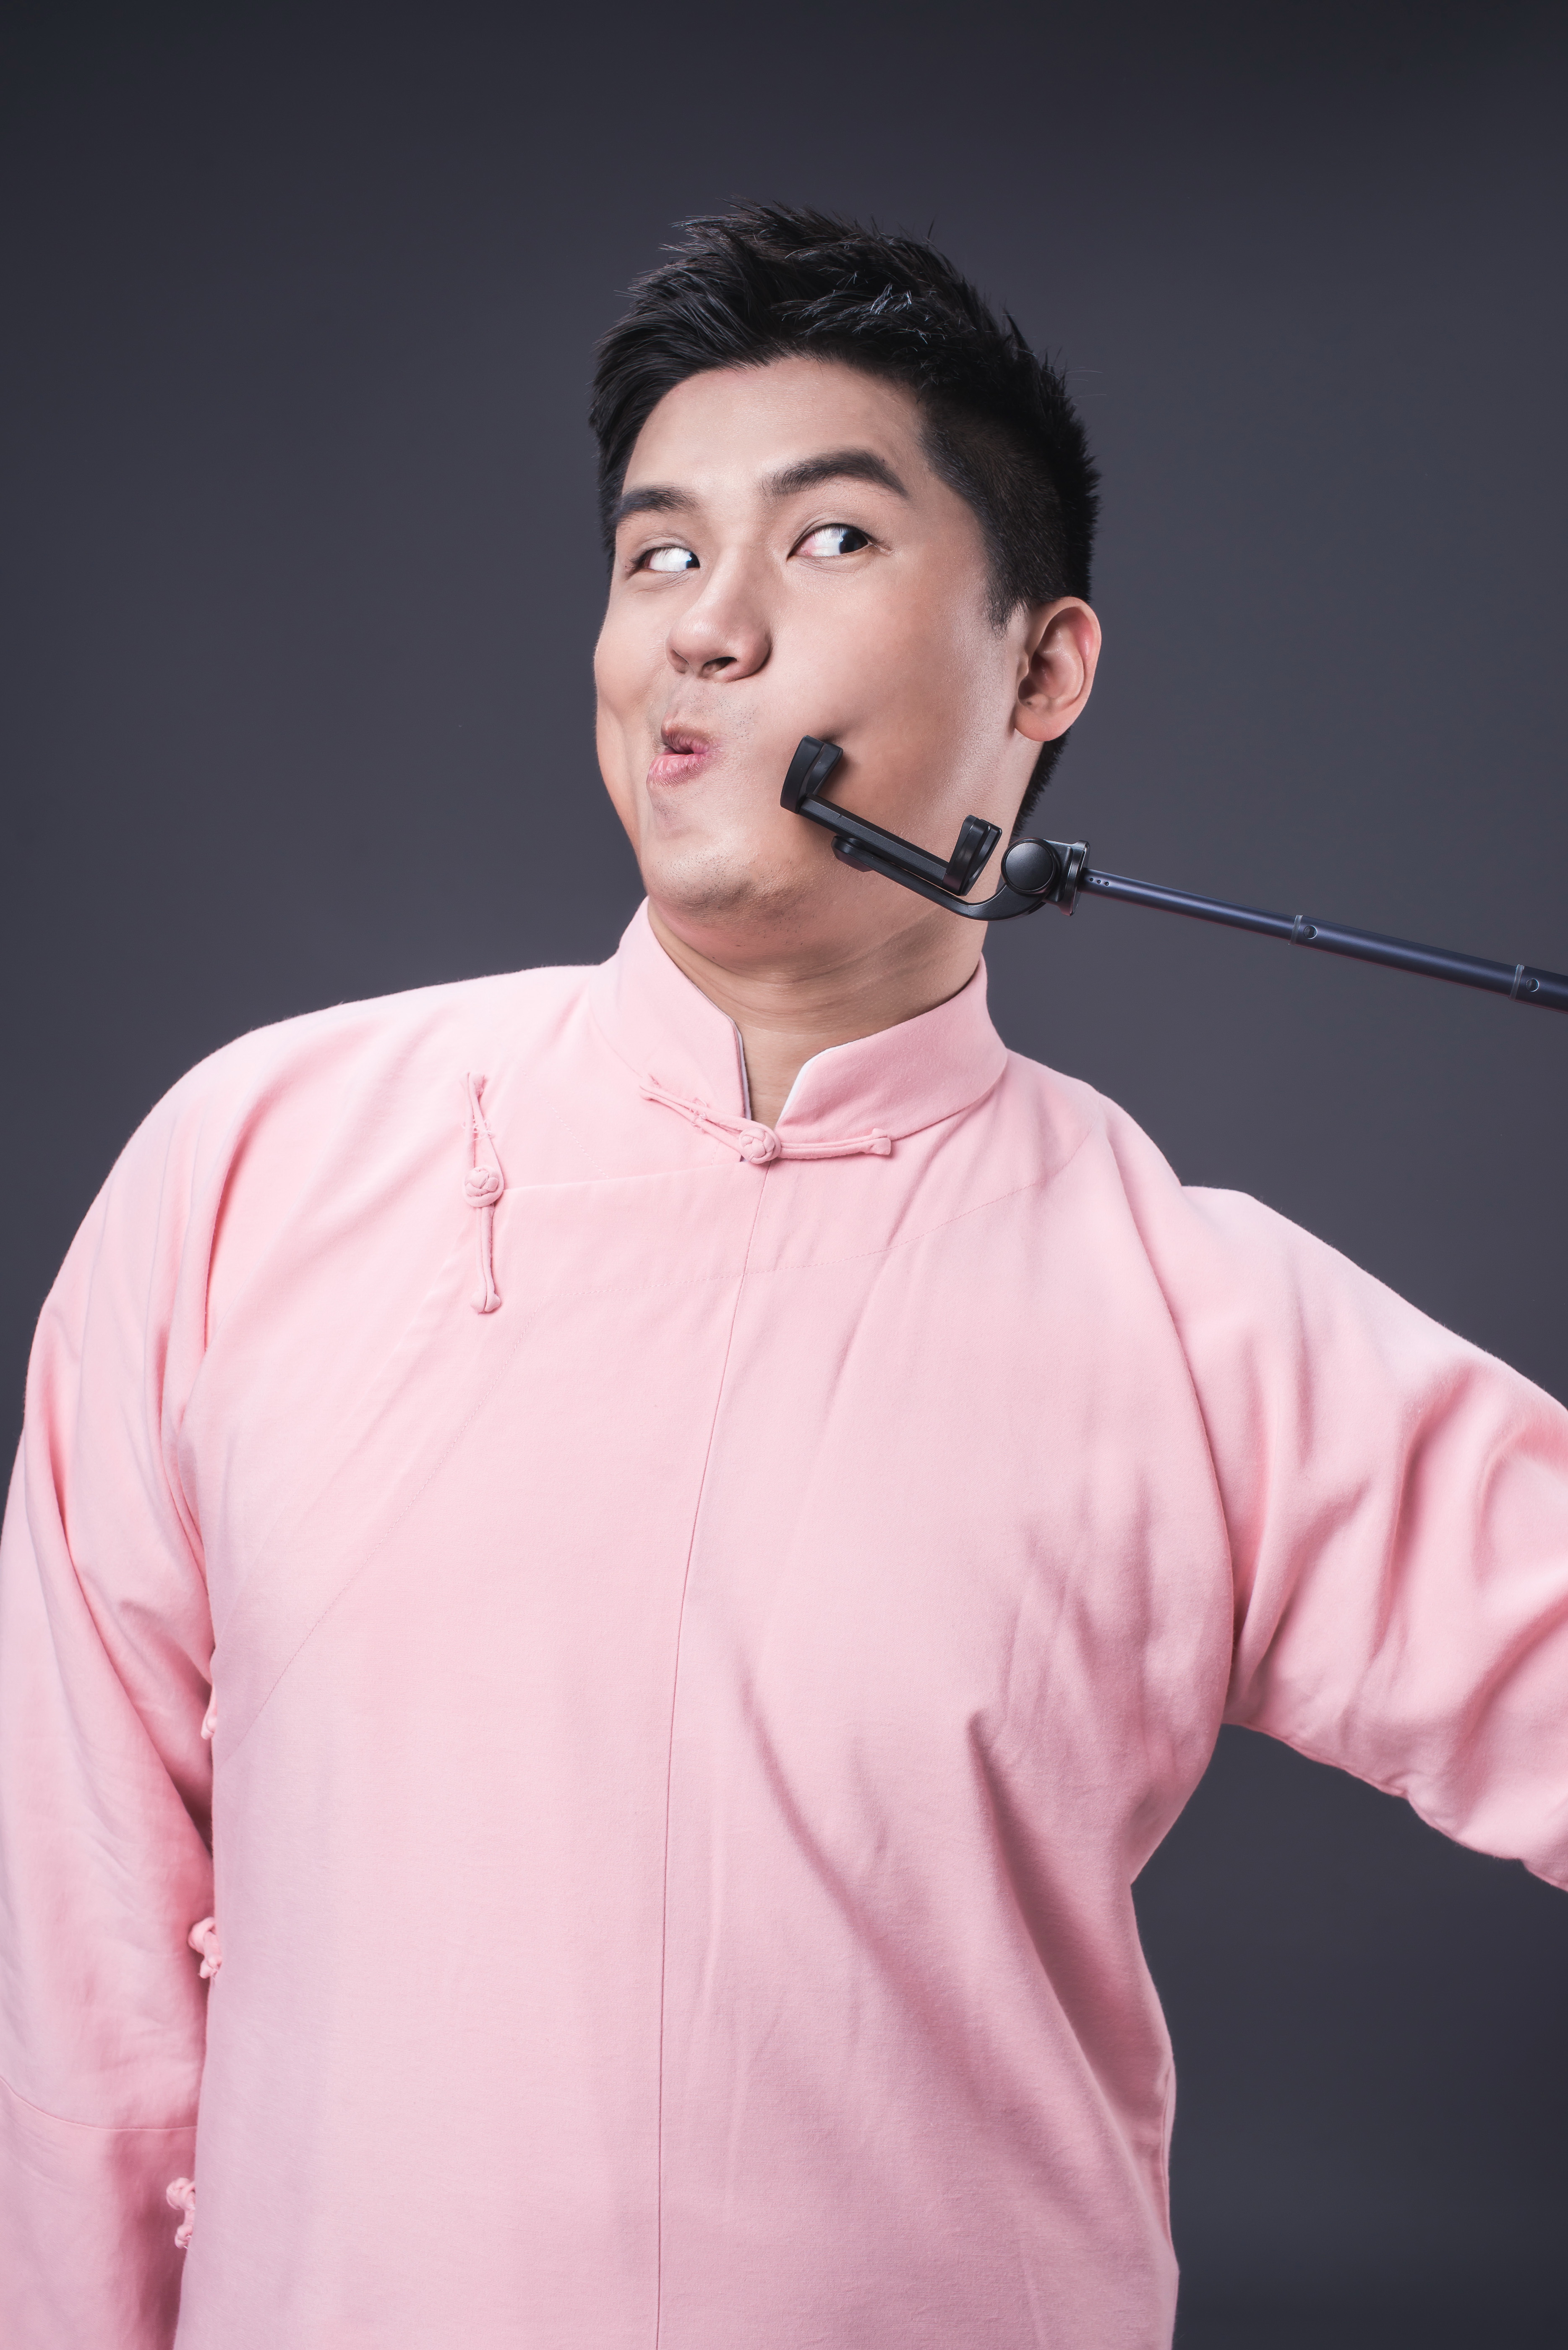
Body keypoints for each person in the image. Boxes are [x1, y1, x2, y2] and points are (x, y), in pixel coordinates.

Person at [2, 202, 1565, 2350]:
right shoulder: (251, 1164)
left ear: (1042, 669)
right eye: (656, 555)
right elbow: (74, 1955)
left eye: (825, 541)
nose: (706, 631)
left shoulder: (1204, 1322)